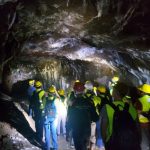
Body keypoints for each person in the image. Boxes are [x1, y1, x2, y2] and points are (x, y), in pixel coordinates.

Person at [101, 82, 141, 150]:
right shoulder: (131, 108)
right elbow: (138, 128)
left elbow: (103, 129)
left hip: (113, 143)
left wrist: (105, 143)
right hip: (130, 143)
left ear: (116, 92)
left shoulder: (107, 107)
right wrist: (138, 142)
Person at [69, 82, 99, 150]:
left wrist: (68, 131)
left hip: (76, 131)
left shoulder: (72, 103)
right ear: (83, 91)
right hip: (86, 131)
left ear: (74, 91)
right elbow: (95, 118)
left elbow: (69, 119)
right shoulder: (89, 102)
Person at [43, 85, 59, 150]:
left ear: (48, 92)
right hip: (54, 118)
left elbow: (42, 107)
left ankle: (47, 147)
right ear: (53, 93)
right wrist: (55, 90)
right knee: (54, 132)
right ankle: (55, 147)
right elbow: (59, 97)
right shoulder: (56, 100)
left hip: (46, 118)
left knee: (47, 133)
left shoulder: (45, 99)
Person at [136, 84, 150, 150]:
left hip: (142, 123)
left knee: (144, 139)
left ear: (143, 92)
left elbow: (137, 113)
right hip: (149, 121)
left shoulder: (139, 100)